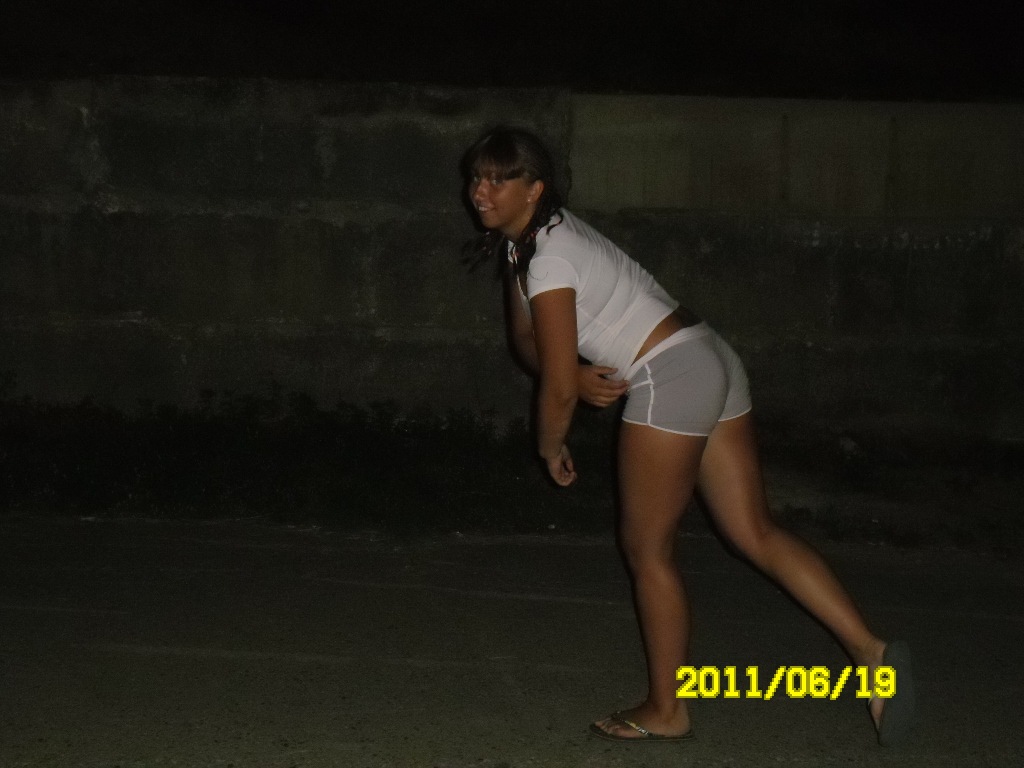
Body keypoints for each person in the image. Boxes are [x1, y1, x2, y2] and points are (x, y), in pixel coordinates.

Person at [460, 126, 915, 746]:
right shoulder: (536, 243)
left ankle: (667, 709)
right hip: (706, 357)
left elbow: (558, 390)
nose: (480, 191)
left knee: (648, 551)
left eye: (499, 179)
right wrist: (572, 372)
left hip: (670, 373)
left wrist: (549, 442)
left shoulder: (549, 258)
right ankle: (871, 653)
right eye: (477, 177)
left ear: (534, 189)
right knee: (753, 531)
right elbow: (529, 342)